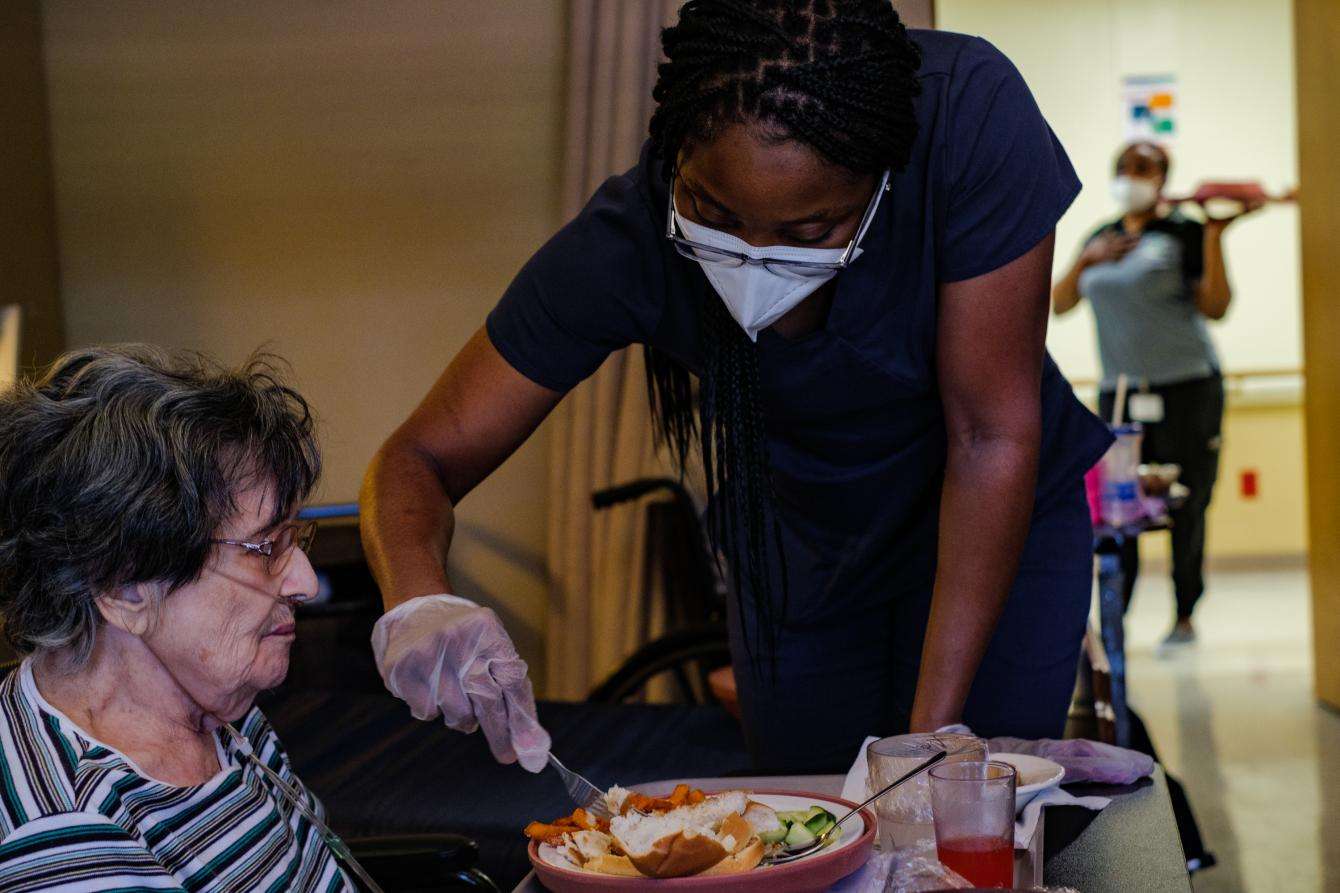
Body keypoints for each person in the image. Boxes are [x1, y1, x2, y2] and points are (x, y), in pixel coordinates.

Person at [363, 0, 1113, 773]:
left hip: (997, 522)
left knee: (965, 818)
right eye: (713, 212)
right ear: (677, 154)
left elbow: (990, 436)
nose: (750, 262)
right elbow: (420, 454)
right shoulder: (626, 241)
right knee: (815, 817)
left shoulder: (968, 119)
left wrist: (929, 746)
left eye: (808, 233)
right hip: (799, 551)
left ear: (883, 186)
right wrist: (419, 599)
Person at [0, 346, 368, 890]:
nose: (306, 583)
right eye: (264, 548)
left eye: (295, 537)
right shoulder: (69, 839)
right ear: (123, 587)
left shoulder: (209, 695)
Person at [1052, 141, 1259, 645]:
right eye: (1122, 168)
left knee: (1187, 503)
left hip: (1187, 389)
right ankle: (1116, 617)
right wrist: (1086, 261)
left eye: (1142, 169)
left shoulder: (1184, 232)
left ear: (1164, 177)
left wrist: (1213, 236)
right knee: (1117, 508)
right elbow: (1059, 304)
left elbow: (1216, 307)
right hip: (1119, 393)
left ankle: (1185, 613)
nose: (1130, 177)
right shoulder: (1100, 237)